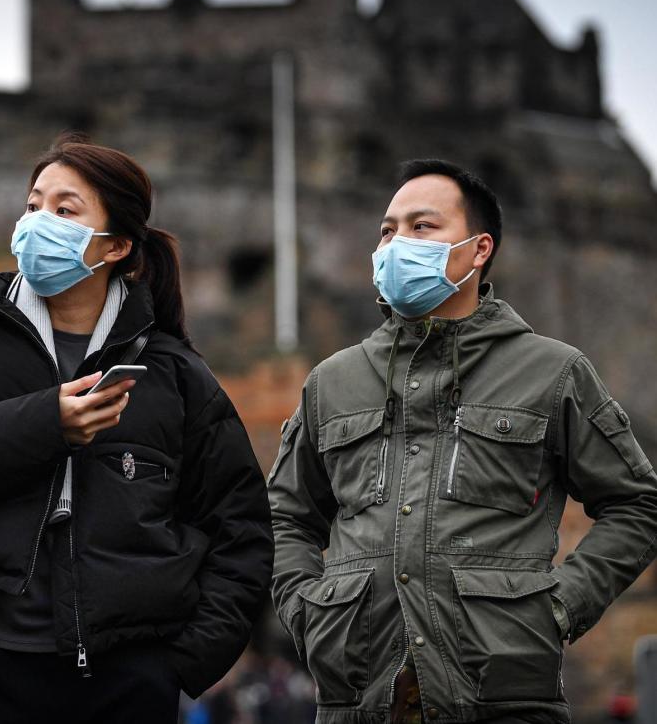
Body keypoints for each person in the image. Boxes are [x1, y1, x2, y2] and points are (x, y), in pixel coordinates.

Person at [0, 133, 273, 723]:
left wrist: (178, 665)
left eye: (64, 210)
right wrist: (44, 423)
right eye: (33, 205)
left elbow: (241, 530)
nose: (38, 222)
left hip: (124, 682)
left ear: (113, 246)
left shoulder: (172, 372)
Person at [267, 159, 657, 723]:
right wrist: (309, 612)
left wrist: (558, 608)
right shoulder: (332, 381)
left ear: (479, 250)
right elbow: (284, 515)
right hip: (359, 700)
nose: (398, 243)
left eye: (422, 227)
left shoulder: (552, 372)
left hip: (503, 700)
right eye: (387, 230)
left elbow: (637, 501)